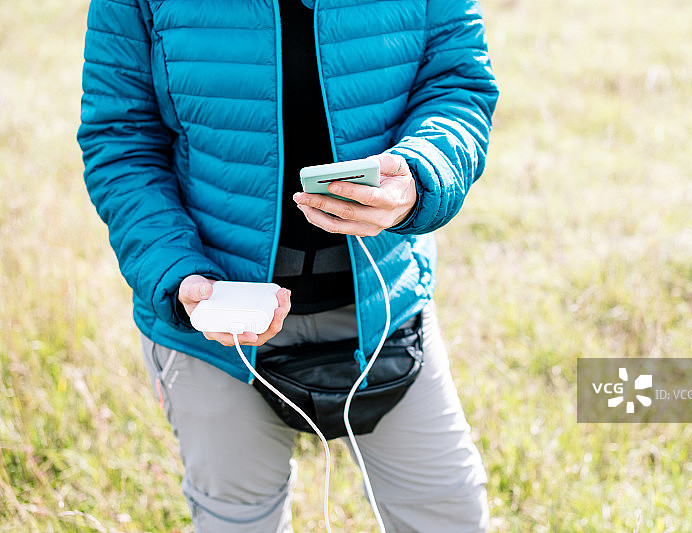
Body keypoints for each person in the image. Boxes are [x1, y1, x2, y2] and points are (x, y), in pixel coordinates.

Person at [78, 0, 498, 531]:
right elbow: (121, 138)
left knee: (450, 513)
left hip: (384, 306)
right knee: (236, 519)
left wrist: (421, 173)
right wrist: (177, 273)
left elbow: (457, 85)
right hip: (214, 325)